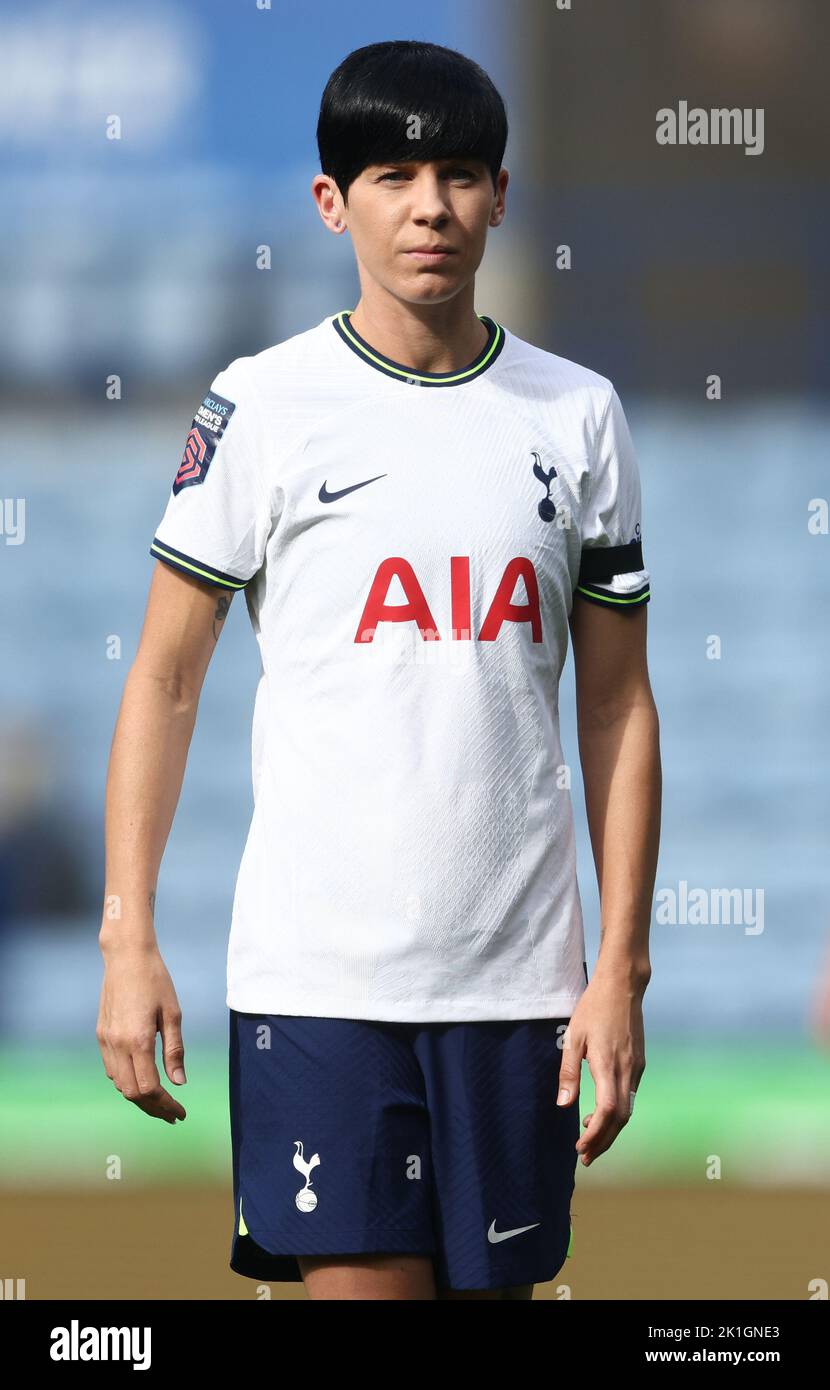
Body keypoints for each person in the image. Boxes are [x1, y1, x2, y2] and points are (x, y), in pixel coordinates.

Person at [97, 39, 661, 1302]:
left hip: (521, 991)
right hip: (319, 984)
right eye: (393, 173)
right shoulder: (259, 407)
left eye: (459, 174)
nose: (429, 207)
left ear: (501, 195)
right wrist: (127, 941)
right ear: (328, 200)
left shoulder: (578, 415)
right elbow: (163, 683)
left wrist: (617, 964)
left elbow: (618, 701)